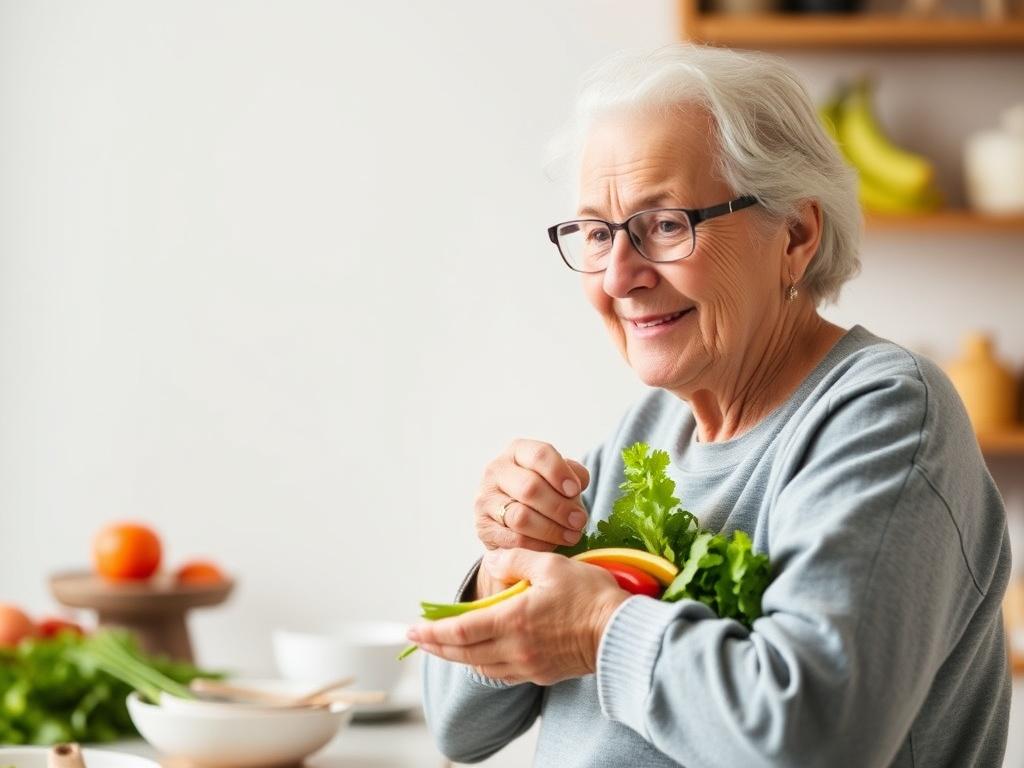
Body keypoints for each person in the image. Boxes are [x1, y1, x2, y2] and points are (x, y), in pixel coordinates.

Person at [408, 44, 1011, 767]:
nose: (620, 277)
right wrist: (506, 566)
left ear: (796, 235)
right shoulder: (647, 434)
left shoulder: (884, 412)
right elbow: (459, 727)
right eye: (597, 233)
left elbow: (815, 739)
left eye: (665, 224)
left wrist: (601, 631)